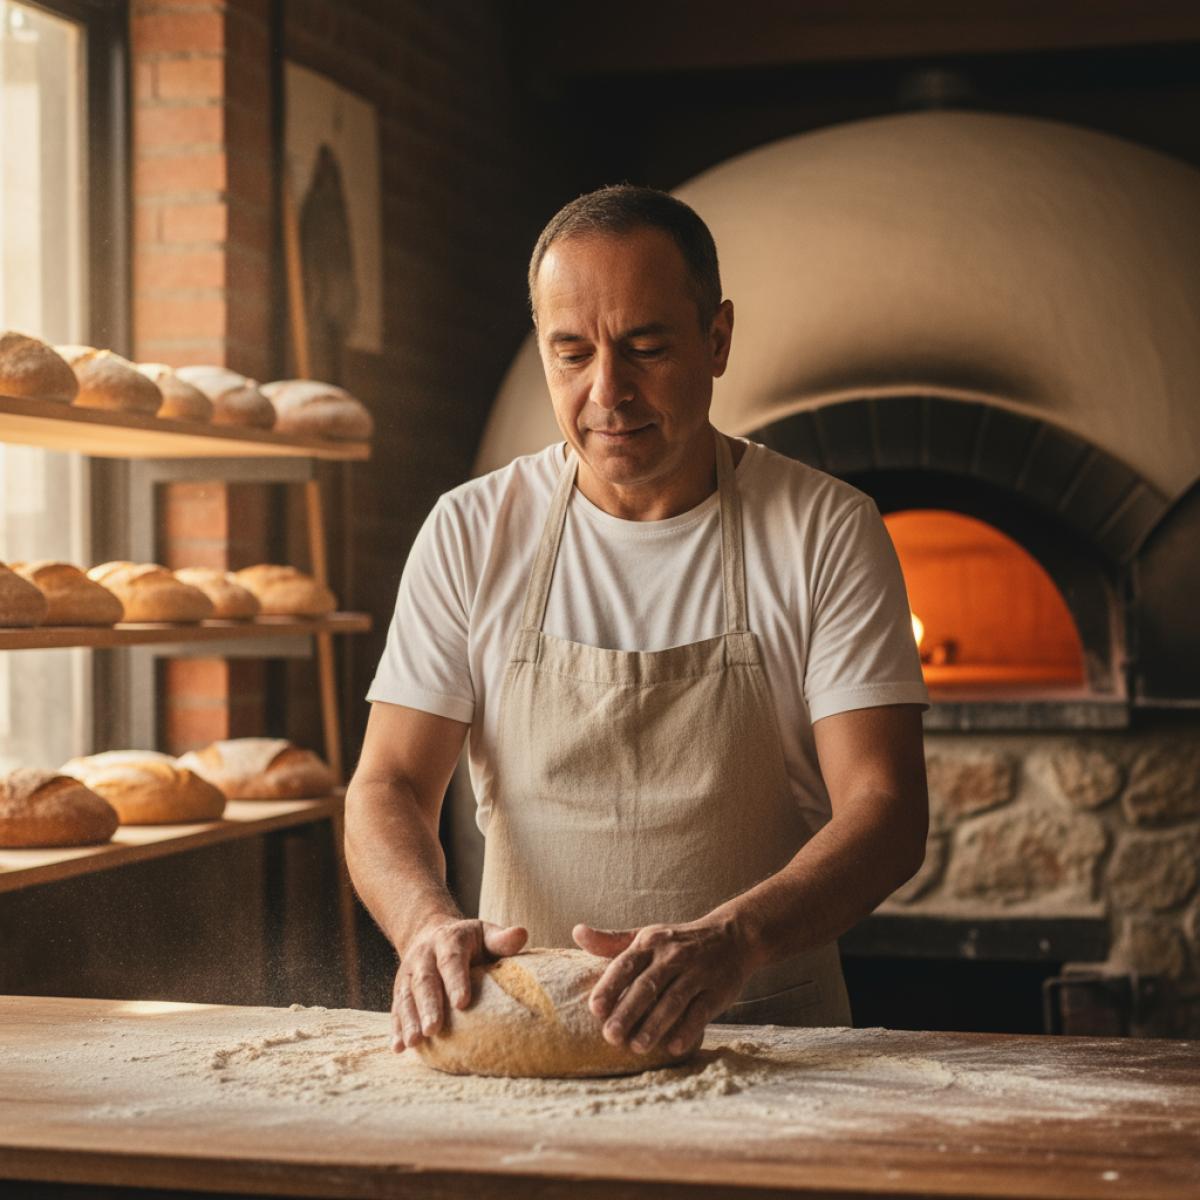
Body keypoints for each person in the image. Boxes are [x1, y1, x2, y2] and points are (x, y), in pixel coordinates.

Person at [347, 184, 929, 1059]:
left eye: (646, 347)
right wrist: (424, 924)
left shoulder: (823, 531)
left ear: (718, 338)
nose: (606, 392)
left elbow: (885, 808)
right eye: (570, 353)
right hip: (526, 1042)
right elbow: (386, 783)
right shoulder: (473, 532)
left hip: (770, 1043)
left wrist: (736, 943)